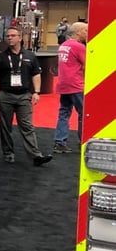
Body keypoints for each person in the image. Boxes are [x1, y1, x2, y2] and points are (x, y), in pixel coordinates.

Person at [0, 28, 53, 166]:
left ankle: (36, 155)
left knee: (27, 126)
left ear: (20, 38)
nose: (9, 38)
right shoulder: (0, 57)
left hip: (24, 95)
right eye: (7, 36)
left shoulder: (30, 56)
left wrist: (36, 92)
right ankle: (8, 153)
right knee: (5, 126)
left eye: (13, 35)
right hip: (5, 95)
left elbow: (36, 74)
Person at [54, 21, 87, 153]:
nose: (87, 33)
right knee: (83, 114)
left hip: (63, 84)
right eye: (85, 31)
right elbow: (87, 65)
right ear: (78, 33)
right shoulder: (79, 47)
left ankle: (60, 142)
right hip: (76, 85)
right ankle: (83, 141)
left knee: (64, 113)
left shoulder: (64, 45)